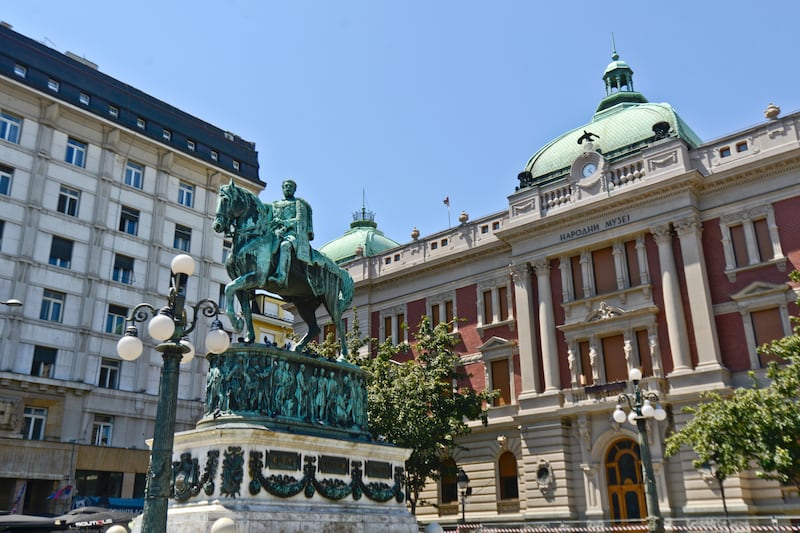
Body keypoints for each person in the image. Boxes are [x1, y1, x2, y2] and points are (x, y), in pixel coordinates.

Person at [268, 179, 315, 287]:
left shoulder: (298, 204)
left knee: (285, 246)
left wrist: (284, 223)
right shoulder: (275, 204)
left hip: (292, 234)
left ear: (294, 189)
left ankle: (281, 276)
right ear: (282, 188)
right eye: (286, 186)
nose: (288, 188)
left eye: (290, 186)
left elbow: (299, 220)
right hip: (275, 233)